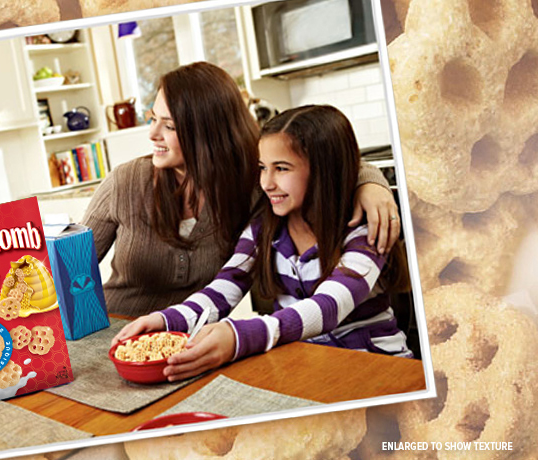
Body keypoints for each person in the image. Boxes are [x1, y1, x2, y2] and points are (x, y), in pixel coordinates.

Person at [112, 105, 413, 381]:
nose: (267, 182)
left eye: (281, 168)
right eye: (262, 167)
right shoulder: (264, 227)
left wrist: (239, 336)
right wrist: (166, 321)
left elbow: (328, 308)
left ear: (322, 171)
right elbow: (223, 289)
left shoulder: (363, 231)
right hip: (311, 366)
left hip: (379, 367)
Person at [83, 62, 401, 318]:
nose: (152, 133)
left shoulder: (254, 183)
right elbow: (69, 269)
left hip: (196, 340)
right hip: (115, 330)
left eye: (168, 125)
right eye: (153, 119)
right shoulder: (124, 182)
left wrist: (370, 182)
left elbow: (318, 160)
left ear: (207, 132)